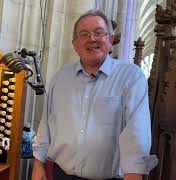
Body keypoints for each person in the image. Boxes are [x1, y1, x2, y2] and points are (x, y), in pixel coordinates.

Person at [31, 9, 157, 180]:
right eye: (84, 34)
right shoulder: (60, 77)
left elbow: (136, 132)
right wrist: (38, 165)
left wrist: (134, 174)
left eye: (98, 33)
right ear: (75, 44)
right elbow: (46, 124)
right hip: (62, 175)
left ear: (110, 40)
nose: (92, 39)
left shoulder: (131, 76)